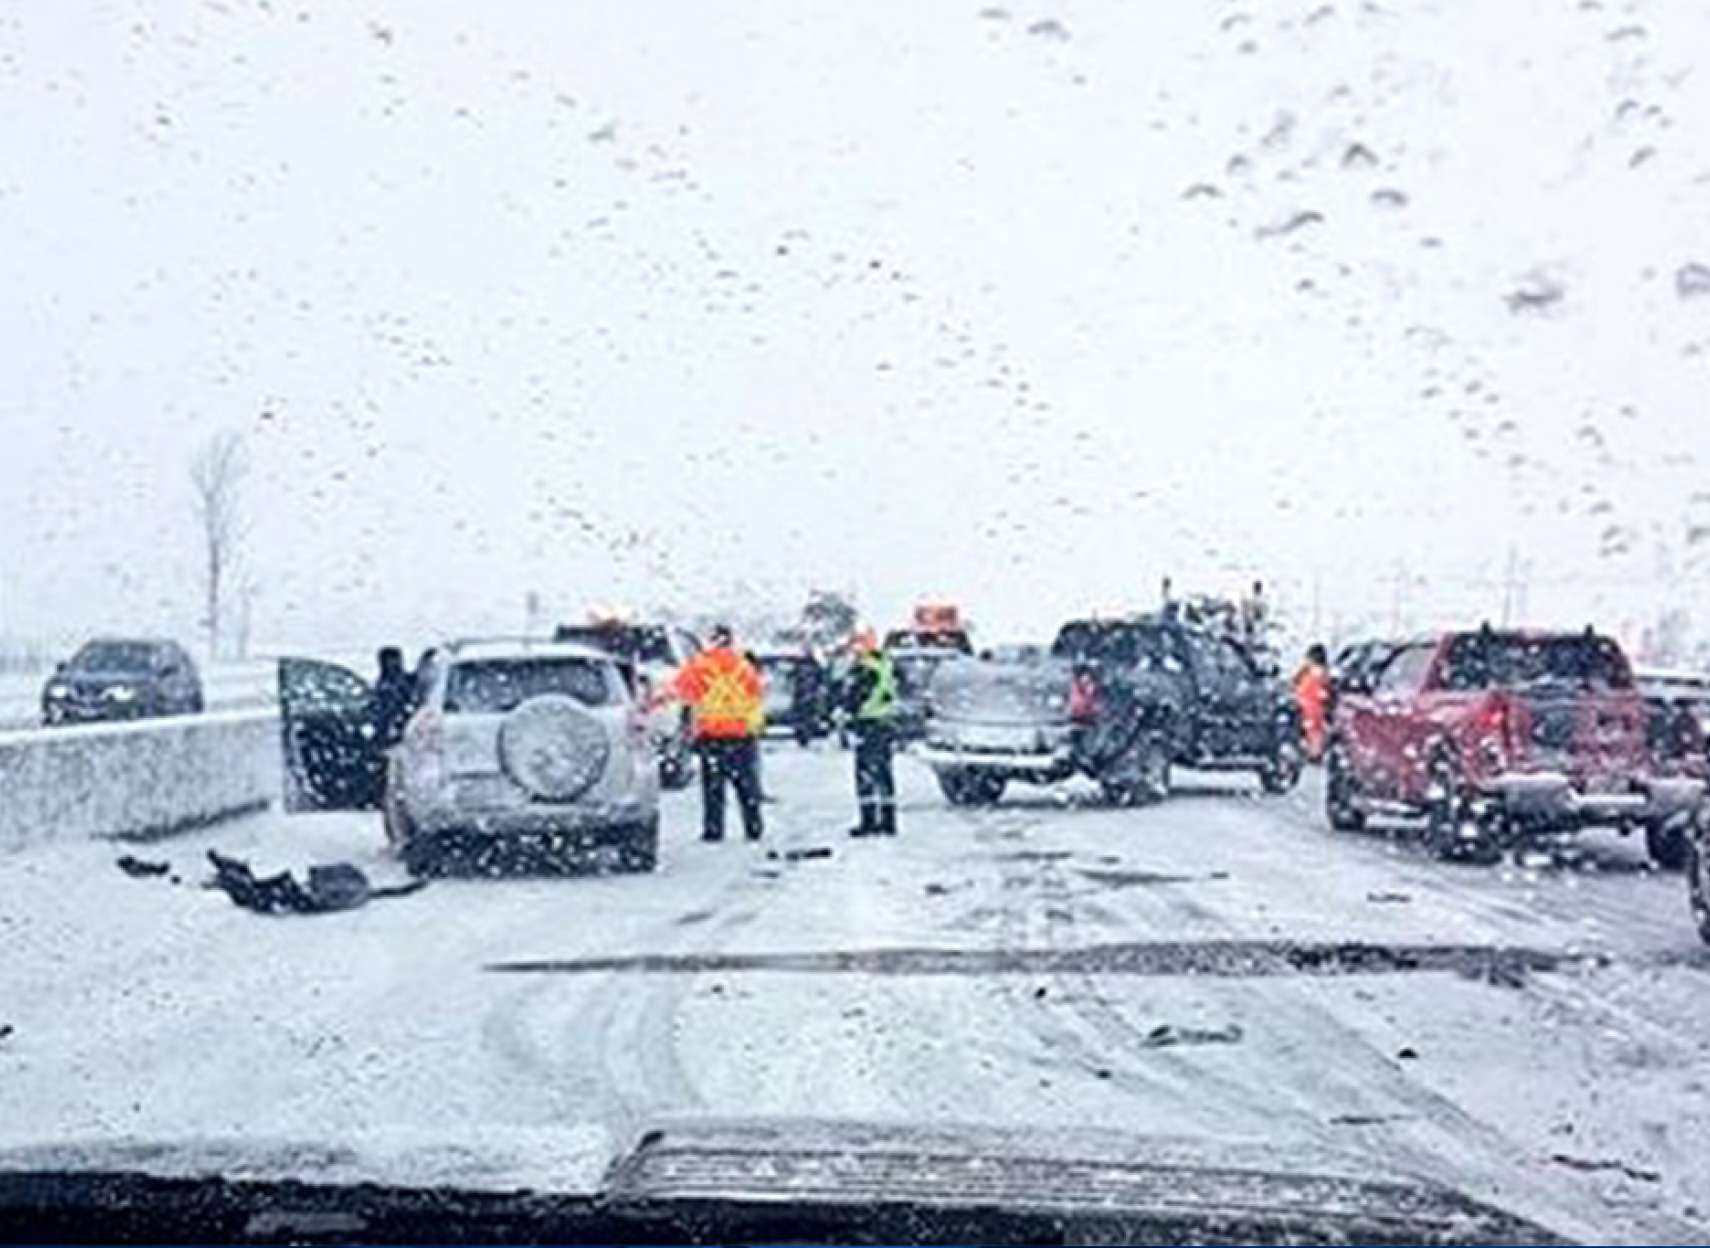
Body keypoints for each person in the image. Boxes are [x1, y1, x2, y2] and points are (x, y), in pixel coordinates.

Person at [664, 624, 765, 842]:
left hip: (712, 735)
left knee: (713, 788)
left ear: (712, 640)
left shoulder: (699, 666)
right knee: (746, 786)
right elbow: (756, 695)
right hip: (741, 733)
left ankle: (714, 829)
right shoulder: (743, 666)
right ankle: (753, 827)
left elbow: (678, 690)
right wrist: (754, 727)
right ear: (731, 640)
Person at [843, 630, 899, 837]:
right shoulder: (885, 665)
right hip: (884, 725)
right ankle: (887, 820)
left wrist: (846, 712)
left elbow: (854, 698)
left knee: (865, 774)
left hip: (868, 725)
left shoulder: (865, 669)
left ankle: (868, 821)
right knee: (884, 774)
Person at [1293, 643, 1331, 764]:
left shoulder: (1307, 672)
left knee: (1313, 729)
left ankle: (1313, 751)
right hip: (1312, 706)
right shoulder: (1321, 673)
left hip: (1307, 705)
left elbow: (1295, 684)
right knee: (1314, 729)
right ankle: (1314, 751)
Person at [372, 646, 415, 749]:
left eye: (395, 660)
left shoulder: (407, 680)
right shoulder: (382, 686)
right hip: (392, 731)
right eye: (390, 660)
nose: (393, 663)